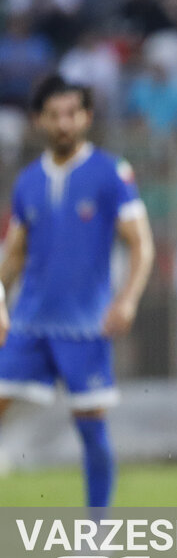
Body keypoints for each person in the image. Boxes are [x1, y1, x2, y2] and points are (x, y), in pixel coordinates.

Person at [0, 75, 154, 519]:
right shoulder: (28, 181)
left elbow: (141, 243)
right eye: (55, 115)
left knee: (91, 429)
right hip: (28, 323)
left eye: (73, 114)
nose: (64, 123)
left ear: (86, 117)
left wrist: (126, 299)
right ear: (39, 120)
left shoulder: (110, 173)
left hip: (84, 326)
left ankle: (97, 529)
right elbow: (14, 254)